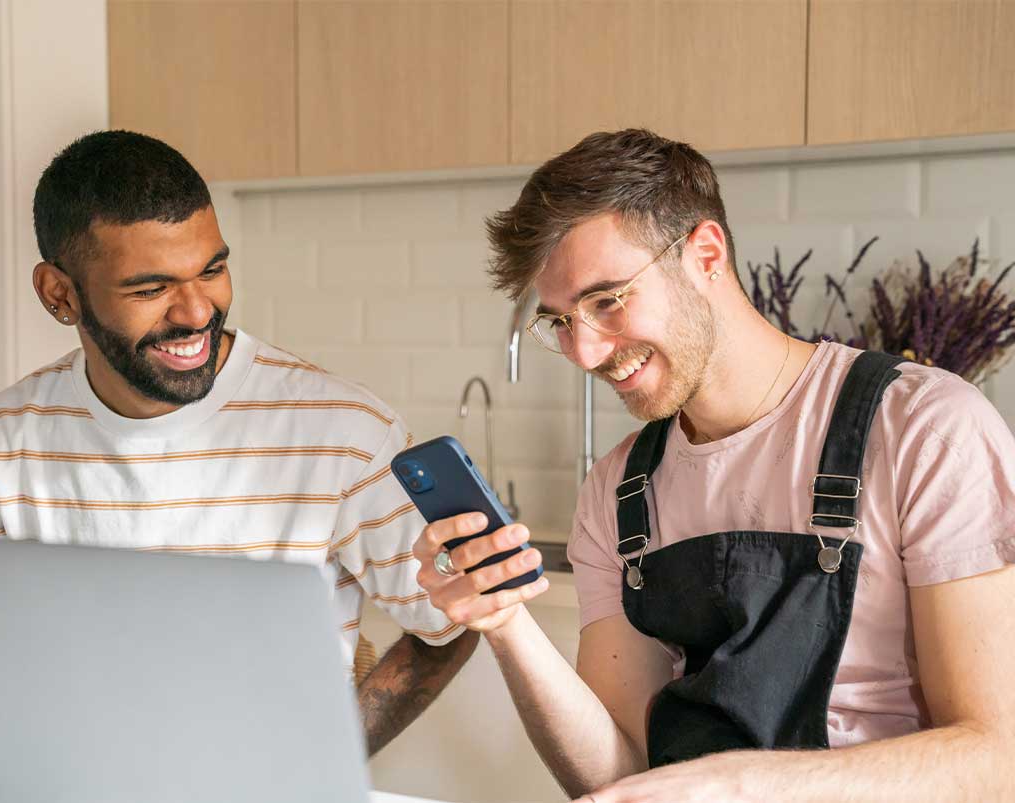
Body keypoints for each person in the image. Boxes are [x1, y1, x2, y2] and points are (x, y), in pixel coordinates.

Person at [412, 129, 1015, 800]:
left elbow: (998, 757)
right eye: (559, 321)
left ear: (705, 254)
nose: (584, 352)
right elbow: (615, 773)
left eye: (607, 301)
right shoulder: (618, 491)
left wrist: (745, 785)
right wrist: (503, 623)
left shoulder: (922, 429)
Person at [0, 130, 477, 755]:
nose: (194, 313)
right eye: (150, 288)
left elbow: (450, 627)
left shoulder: (343, 431)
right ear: (60, 294)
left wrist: (325, 763)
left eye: (212, 270)